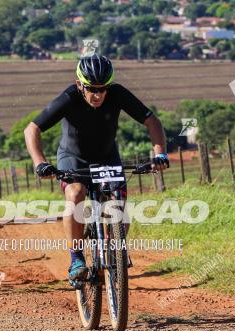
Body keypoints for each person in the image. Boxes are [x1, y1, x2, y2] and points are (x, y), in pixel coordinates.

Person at [23, 55, 169, 286]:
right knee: (76, 194)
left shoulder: (118, 93)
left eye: (103, 89)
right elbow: (32, 129)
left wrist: (159, 153)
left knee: (119, 209)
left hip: (107, 157)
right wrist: (39, 162)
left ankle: (112, 249)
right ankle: (77, 258)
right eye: (92, 88)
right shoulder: (69, 97)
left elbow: (152, 121)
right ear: (80, 83)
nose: (98, 95)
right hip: (73, 158)